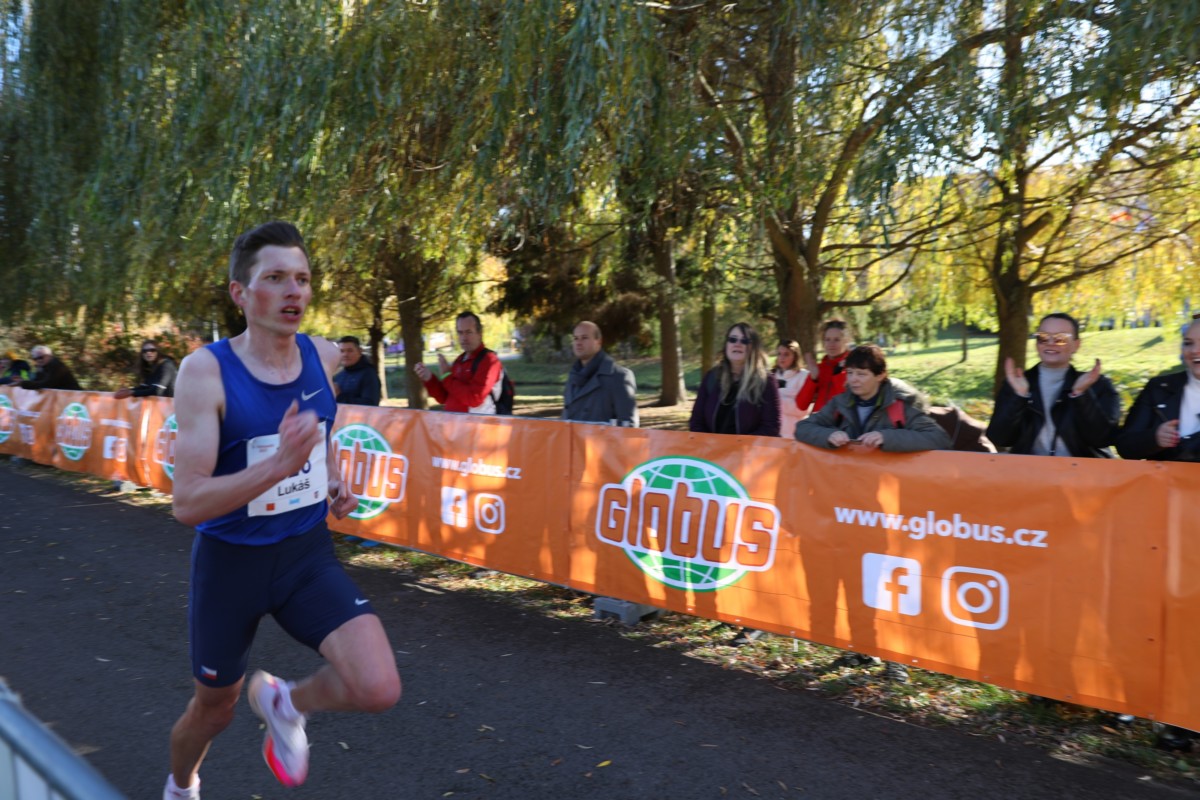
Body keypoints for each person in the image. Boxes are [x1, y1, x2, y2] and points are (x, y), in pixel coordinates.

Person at [162, 221, 400, 800]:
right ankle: (181, 787)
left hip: (304, 556)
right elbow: (187, 502)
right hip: (231, 565)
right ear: (240, 294)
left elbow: (319, 431)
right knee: (214, 709)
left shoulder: (323, 355)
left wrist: (330, 474)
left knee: (378, 687)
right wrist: (276, 468)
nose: (294, 291)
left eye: (302, 279)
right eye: (275, 278)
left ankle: (287, 703)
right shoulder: (205, 372)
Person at [795, 344, 951, 682]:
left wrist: (887, 437)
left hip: (890, 511)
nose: (853, 380)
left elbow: (938, 438)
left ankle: (896, 658)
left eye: (861, 374)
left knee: (887, 585)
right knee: (855, 580)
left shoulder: (900, 405)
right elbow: (803, 429)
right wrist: (829, 434)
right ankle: (860, 647)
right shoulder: (841, 403)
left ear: (881, 375)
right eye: (850, 373)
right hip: (849, 510)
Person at [1116, 316, 1200, 750]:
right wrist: (1154, 436)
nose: (1194, 351)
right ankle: (1169, 716)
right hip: (1164, 524)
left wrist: (1183, 447)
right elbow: (1125, 444)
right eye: (1188, 342)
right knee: (1163, 614)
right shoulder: (1161, 387)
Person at [985, 313, 1119, 458]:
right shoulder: (1018, 383)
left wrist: (1081, 394)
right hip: (1030, 469)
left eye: (1060, 339)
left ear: (1076, 345)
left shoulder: (1098, 385)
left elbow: (1103, 439)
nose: (1050, 343)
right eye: (1043, 337)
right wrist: (1019, 396)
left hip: (1083, 471)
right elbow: (1000, 438)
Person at [689, 322, 780, 437]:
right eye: (732, 339)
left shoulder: (766, 382)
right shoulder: (712, 377)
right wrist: (709, 443)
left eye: (745, 341)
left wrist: (739, 445)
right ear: (726, 345)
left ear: (753, 348)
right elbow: (696, 421)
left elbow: (771, 427)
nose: (737, 344)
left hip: (749, 448)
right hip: (710, 447)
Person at [414, 311, 503, 413]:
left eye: (468, 332)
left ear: (480, 333)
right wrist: (429, 378)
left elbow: (474, 398)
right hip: (453, 422)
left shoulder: (489, 360)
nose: (464, 338)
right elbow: (445, 397)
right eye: (460, 332)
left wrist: (447, 376)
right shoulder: (460, 360)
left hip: (477, 422)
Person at [562, 321, 638, 427]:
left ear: (598, 342)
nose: (578, 343)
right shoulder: (573, 377)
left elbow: (629, 428)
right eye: (576, 338)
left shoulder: (619, 377)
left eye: (584, 338)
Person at [796, 319, 851, 414]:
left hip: (842, 422)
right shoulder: (819, 369)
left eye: (836, 340)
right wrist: (813, 379)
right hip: (818, 421)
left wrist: (838, 374)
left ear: (846, 341)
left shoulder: (854, 368)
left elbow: (848, 403)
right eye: (827, 339)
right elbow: (801, 405)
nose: (831, 344)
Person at [773, 339, 811, 439]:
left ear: (795, 356)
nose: (781, 358)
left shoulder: (804, 376)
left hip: (797, 435)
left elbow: (803, 409)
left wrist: (775, 399)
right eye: (779, 354)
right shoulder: (770, 376)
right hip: (774, 435)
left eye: (786, 354)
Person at [332, 335, 382, 406]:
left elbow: (370, 404)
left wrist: (340, 396)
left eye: (350, 351)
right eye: (341, 351)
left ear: (360, 351)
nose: (345, 354)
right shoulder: (339, 376)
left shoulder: (369, 374)